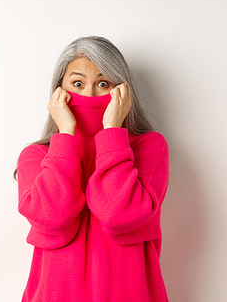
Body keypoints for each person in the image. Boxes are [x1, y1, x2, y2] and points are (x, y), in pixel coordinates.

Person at [13, 36, 170, 302]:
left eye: (102, 83)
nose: (89, 95)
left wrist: (112, 134)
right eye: (77, 83)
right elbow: (54, 219)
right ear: (58, 93)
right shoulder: (36, 156)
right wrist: (65, 137)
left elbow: (118, 215)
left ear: (121, 91)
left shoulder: (148, 147)